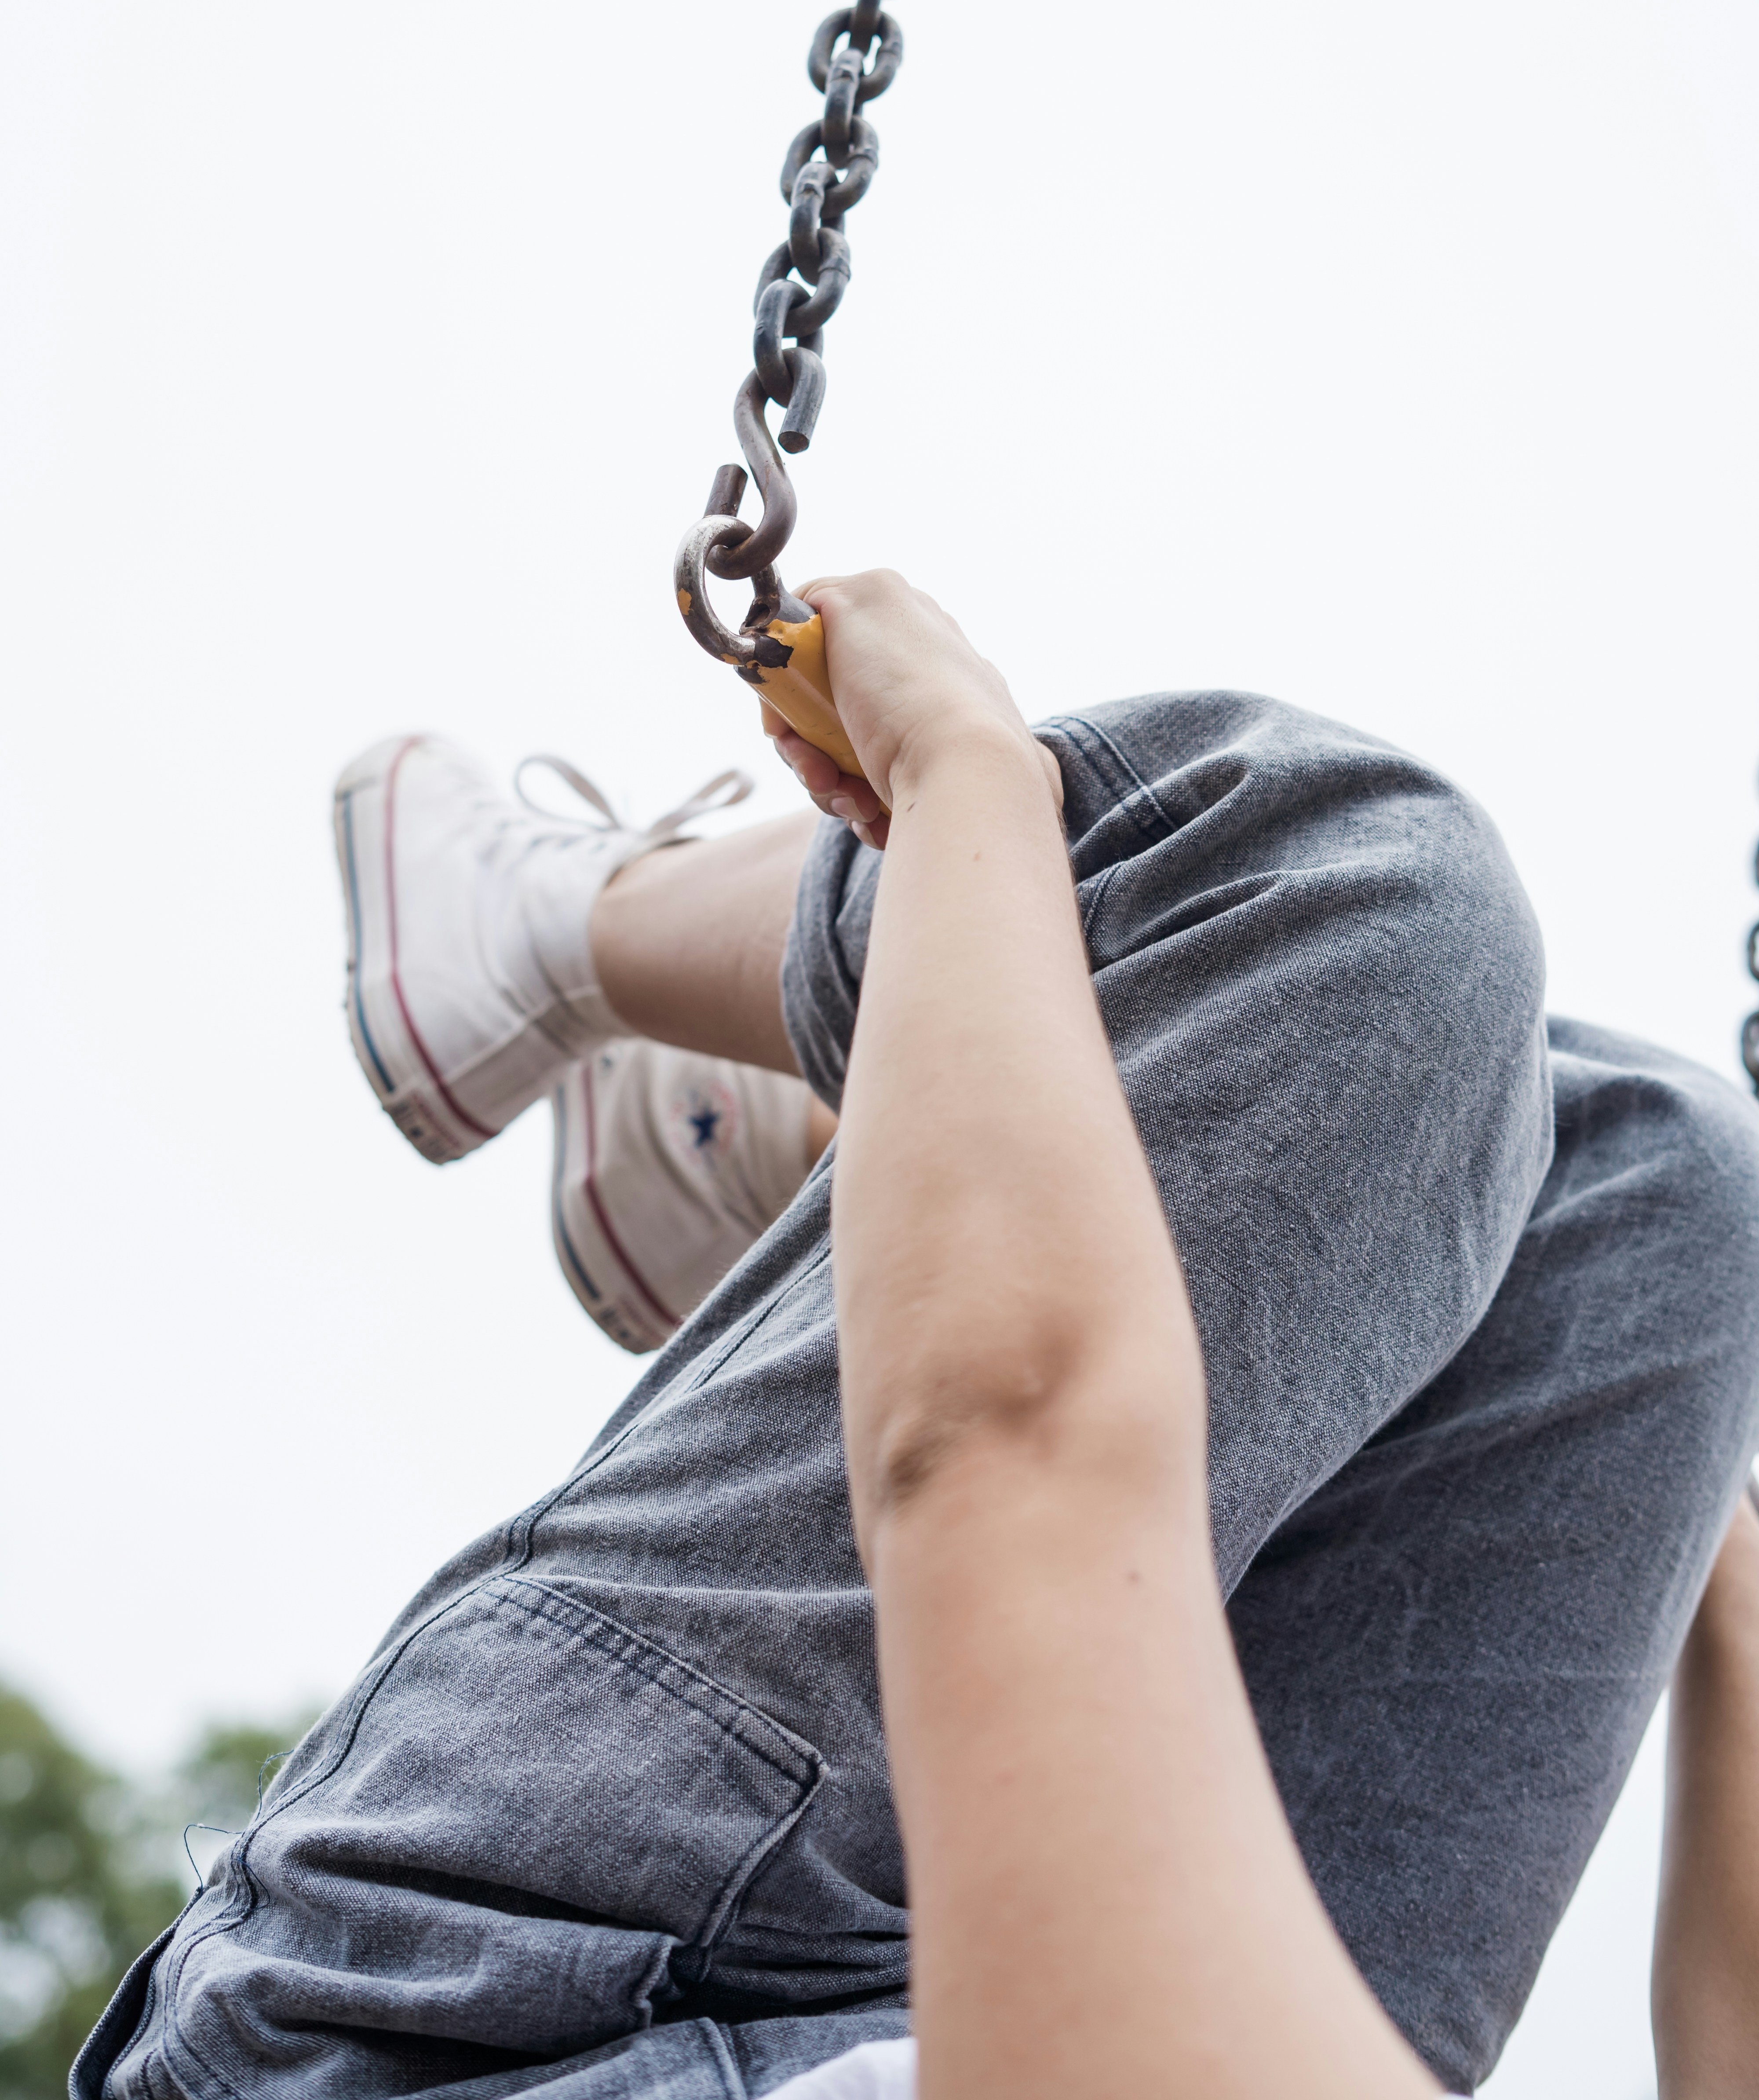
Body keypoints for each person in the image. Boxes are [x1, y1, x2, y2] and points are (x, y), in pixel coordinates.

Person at [77, 579, 1759, 2099]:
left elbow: (1004, 1458)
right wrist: (1691, 1465)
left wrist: (961, 773)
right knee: (1661, 1187)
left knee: (1336, 882)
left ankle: (558, 947)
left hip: (484, 2023)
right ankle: (810, 1185)